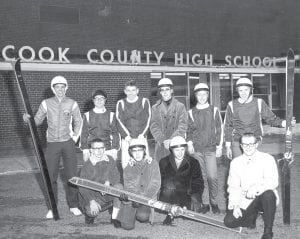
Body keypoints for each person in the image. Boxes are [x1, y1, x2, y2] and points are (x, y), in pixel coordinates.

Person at [23, 76, 82, 219]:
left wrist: (74, 138)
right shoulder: (46, 103)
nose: (60, 90)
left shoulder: (72, 103)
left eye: (63, 87)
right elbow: (37, 121)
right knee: (50, 176)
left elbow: (79, 121)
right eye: (57, 87)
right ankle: (52, 207)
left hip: (68, 143)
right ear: (53, 89)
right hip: (52, 144)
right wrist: (28, 120)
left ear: (66, 88)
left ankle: (73, 205)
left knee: (72, 176)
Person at [224, 133, 279, 239]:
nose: (248, 147)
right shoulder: (235, 163)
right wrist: (235, 205)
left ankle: (268, 231)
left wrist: (257, 187)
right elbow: (233, 187)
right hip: (245, 199)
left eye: (251, 144)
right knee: (229, 222)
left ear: (257, 144)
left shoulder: (267, 158)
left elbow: (273, 181)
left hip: (264, 197)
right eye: (245, 144)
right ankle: (252, 216)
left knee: (269, 194)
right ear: (240, 145)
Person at [224, 77, 288, 160]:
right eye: (241, 90)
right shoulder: (231, 104)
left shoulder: (259, 102)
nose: (243, 93)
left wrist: (284, 123)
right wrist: (228, 146)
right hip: (238, 142)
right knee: (239, 169)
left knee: (256, 169)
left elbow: (271, 119)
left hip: (255, 141)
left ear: (251, 90)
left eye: (246, 90)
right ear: (237, 91)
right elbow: (228, 126)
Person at [187, 83, 223, 214]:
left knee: (212, 176)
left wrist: (219, 146)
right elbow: (188, 131)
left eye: (204, 94)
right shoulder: (190, 112)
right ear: (195, 96)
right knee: (201, 177)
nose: (201, 97)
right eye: (199, 94)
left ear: (208, 95)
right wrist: (190, 144)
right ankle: (205, 203)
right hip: (197, 149)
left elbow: (220, 129)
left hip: (210, 149)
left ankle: (214, 202)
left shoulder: (214, 110)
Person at [116, 138, 161, 230]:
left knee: (143, 216)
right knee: (127, 226)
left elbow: (155, 184)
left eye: (139, 150)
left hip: (147, 198)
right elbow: (129, 186)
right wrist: (133, 198)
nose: (137, 154)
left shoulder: (153, 164)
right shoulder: (129, 167)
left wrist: (142, 199)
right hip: (133, 199)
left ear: (144, 150)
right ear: (130, 152)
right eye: (134, 151)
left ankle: (139, 212)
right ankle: (125, 210)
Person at [159, 136, 204, 225]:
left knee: (193, 209)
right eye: (177, 150)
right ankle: (176, 208)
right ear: (171, 150)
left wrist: (195, 194)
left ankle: (175, 210)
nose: (180, 153)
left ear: (185, 149)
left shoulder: (193, 162)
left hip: (187, 193)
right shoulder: (163, 162)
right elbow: (161, 180)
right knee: (167, 193)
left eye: (182, 150)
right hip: (170, 191)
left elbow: (198, 181)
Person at [78, 138, 122, 225]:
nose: (99, 151)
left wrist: (108, 181)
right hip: (95, 197)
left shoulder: (110, 159)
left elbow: (117, 176)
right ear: (91, 150)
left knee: (119, 187)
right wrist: (92, 201)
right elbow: (82, 187)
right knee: (91, 212)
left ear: (105, 149)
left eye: (101, 148)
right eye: (95, 149)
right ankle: (90, 214)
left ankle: (114, 217)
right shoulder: (87, 166)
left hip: (107, 193)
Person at [150, 78, 188, 161]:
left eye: (167, 89)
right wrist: (163, 140)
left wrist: (171, 140)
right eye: (162, 90)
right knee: (160, 169)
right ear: (160, 92)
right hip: (161, 145)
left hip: (176, 145)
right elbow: (154, 126)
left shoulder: (180, 106)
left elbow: (183, 125)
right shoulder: (155, 107)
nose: (165, 92)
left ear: (171, 91)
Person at [116, 80, 151, 169]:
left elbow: (148, 119)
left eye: (133, 90)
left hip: (141, 137)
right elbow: (119, 120)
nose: (131, 93)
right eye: (128, 90)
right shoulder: (121, 103)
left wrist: (142, 135)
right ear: (125, 91)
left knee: (144, 164)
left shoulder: (144, 101)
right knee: (127, 165)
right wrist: (127, 137)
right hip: (127, 140)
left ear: (137, 91)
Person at [80, 89, 120, 162]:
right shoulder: (87, 115)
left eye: (101, 98)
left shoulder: (111, 115)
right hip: (92, 150)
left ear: (105, 100)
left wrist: (114, 150)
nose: (99, 100)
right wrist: (85, 151)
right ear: (93, 100)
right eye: (97, 98)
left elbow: (115, 134)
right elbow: (84, 134)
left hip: (108, 150)